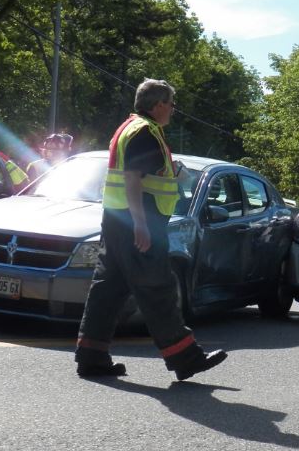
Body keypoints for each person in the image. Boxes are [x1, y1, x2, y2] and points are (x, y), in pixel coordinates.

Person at [74, 78, 226, 381]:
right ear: (157, 105)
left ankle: (91, 356)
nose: (173, 110)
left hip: (118, 220)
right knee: (158, 288)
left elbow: (140, 175)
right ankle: (185, 358)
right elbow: (132, 178)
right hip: (137, 223)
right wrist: (141, 226)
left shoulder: (130, 127)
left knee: (107, 290)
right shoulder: (145, 132)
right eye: (171, 104)